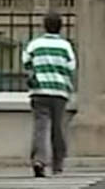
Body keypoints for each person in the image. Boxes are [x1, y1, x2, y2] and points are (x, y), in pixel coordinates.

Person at [22, 11, 76, 177]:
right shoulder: (66, 46)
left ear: (44, 26)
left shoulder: (34, 44)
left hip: (39, 90)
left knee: (40, 126)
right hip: (59, 91)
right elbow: (71, 67)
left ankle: (39, 159)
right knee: (57, 127)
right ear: (60, 28)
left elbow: (26, 63)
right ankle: (57, 163)